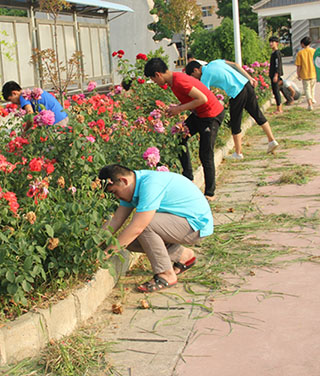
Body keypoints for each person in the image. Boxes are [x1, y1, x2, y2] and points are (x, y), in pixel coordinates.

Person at [99, 164, 213, 292]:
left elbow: (138, 227)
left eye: (114, 192)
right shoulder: (133, 184)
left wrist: (104, 256)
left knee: (144, 225)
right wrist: (95, 244)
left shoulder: (150, 185)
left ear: (123, 181)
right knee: (128, 241)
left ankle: (166, 274)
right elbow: (116, 220)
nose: (116, 197)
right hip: (181, 222)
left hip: (195, 226)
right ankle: (183, 255)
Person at [144, 57, 225, 200]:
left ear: (158, 74)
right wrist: (175, 107)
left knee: (205, 154)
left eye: (153, 79)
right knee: (179, 137)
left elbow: (202, 99)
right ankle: (188, 177)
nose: (155, 83)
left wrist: (179, 109)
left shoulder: (180, 81)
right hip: (199, 114)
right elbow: (191, 98)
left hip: (211, 115)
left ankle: (209, 193)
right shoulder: (173, 81)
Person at [185, 59, 278, 159]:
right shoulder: (215, 62)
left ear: (195, 70)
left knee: (235, 122)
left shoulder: (205, 76)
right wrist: (250, 78)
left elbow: (204, 96)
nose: (195, 79)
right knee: (257, 113)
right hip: (246, 84)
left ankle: (238, 153)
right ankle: (271, 140)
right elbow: (235, 65)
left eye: (192, 76)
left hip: (237, 93)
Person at [2, 81, 69, 127]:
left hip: (55, 123)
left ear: (14, 93)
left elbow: (30, 113)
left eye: (11, 99)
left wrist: (26, 131)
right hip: (63, 117)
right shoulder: (31, 91)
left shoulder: (23, 96)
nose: (12, 103)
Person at [295, 36, 317, 111]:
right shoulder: (314, 51)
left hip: (304, 74)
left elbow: (299, 65)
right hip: (313, 72)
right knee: (312, 88)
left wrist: (298, 74)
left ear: (302, 44)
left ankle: (310, 104)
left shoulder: (300, 53)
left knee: (307, 89)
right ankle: (312, 99)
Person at [269, 36, 285, 114]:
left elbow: (277, 65)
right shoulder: (273, 53)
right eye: (270, 42)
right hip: (272, 74)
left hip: (275, 75)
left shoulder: (277, 53)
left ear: (277, 43)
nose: (271, 44)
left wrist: (276, 75)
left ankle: (279, 108)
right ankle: (279, 106)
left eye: (272, 42)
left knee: (276, 91)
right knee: (276, 91)